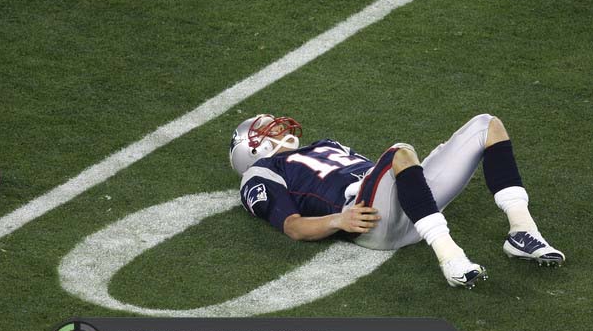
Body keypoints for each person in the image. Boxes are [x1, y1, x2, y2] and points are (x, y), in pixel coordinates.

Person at [229, 113, 565, 288]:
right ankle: (451, 257)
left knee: (487, 126)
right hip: (370, 219)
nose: (277, 128)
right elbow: (293, 226)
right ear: (253, 148)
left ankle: (523, 231)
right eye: (267, 130)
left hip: (407, 201)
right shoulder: (260, 172)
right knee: (399, 152)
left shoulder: (324, 144)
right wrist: (338, 220)